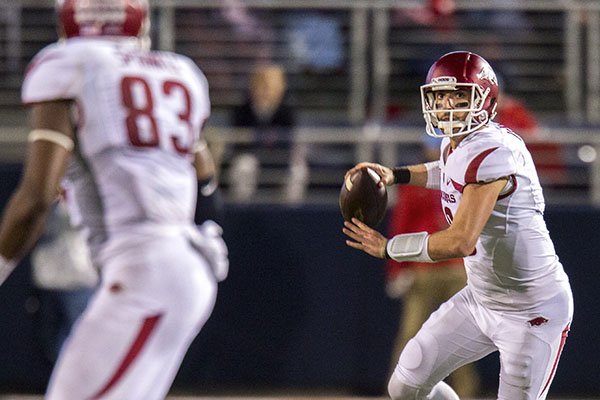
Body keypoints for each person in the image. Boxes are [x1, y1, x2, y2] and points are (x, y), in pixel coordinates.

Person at [0, 1, 228, 399]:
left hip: (145, 271)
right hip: (183, 263)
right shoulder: (182, 73)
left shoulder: (68, 65)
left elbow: (36, 197)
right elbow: (204, 176)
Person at [343, 51, 573, 400]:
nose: (447, 104)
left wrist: (389, 247)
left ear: (484, 99)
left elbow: (461, 241)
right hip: (481, 300)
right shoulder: (458, 146)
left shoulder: (494, 151)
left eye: (459, 96)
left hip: (532, 311)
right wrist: (397, 175)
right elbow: (445, 171)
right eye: (440, 96)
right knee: (405, 384)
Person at [385, 137, 479, 399]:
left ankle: (466, 393)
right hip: (422, 268)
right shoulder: (417, 180)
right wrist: (397, 269)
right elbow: (401, 224)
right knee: (410, 334)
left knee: (461, 339)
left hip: (456, 268)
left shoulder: (468, 175)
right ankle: (400, 392)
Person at [230, 63, 307, 202]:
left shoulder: (287, 112)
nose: (265, 91)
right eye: (261, 86)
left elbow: (290, 143)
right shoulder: (242, 111)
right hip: (251, 156)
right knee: (244, 166)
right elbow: (238, 144)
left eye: (270, 86)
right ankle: (242, 207)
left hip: (280, 158)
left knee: (297, 169)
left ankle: (291, 210)